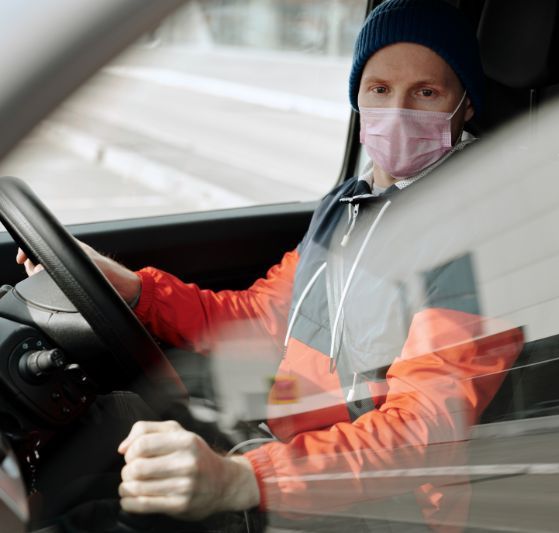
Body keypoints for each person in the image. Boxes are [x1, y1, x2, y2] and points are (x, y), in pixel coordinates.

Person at [19, 0, 522, 529]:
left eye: (425, 92)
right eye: (379, 90)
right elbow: (260, 318)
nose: (397, 111)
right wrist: (137, 291)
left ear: (463, 105)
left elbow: (424, 431)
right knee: (103, 424)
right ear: (357, 96)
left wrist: (245, 480)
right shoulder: (349, 206)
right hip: (286, 452)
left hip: (377, 507)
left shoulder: (479, 229)